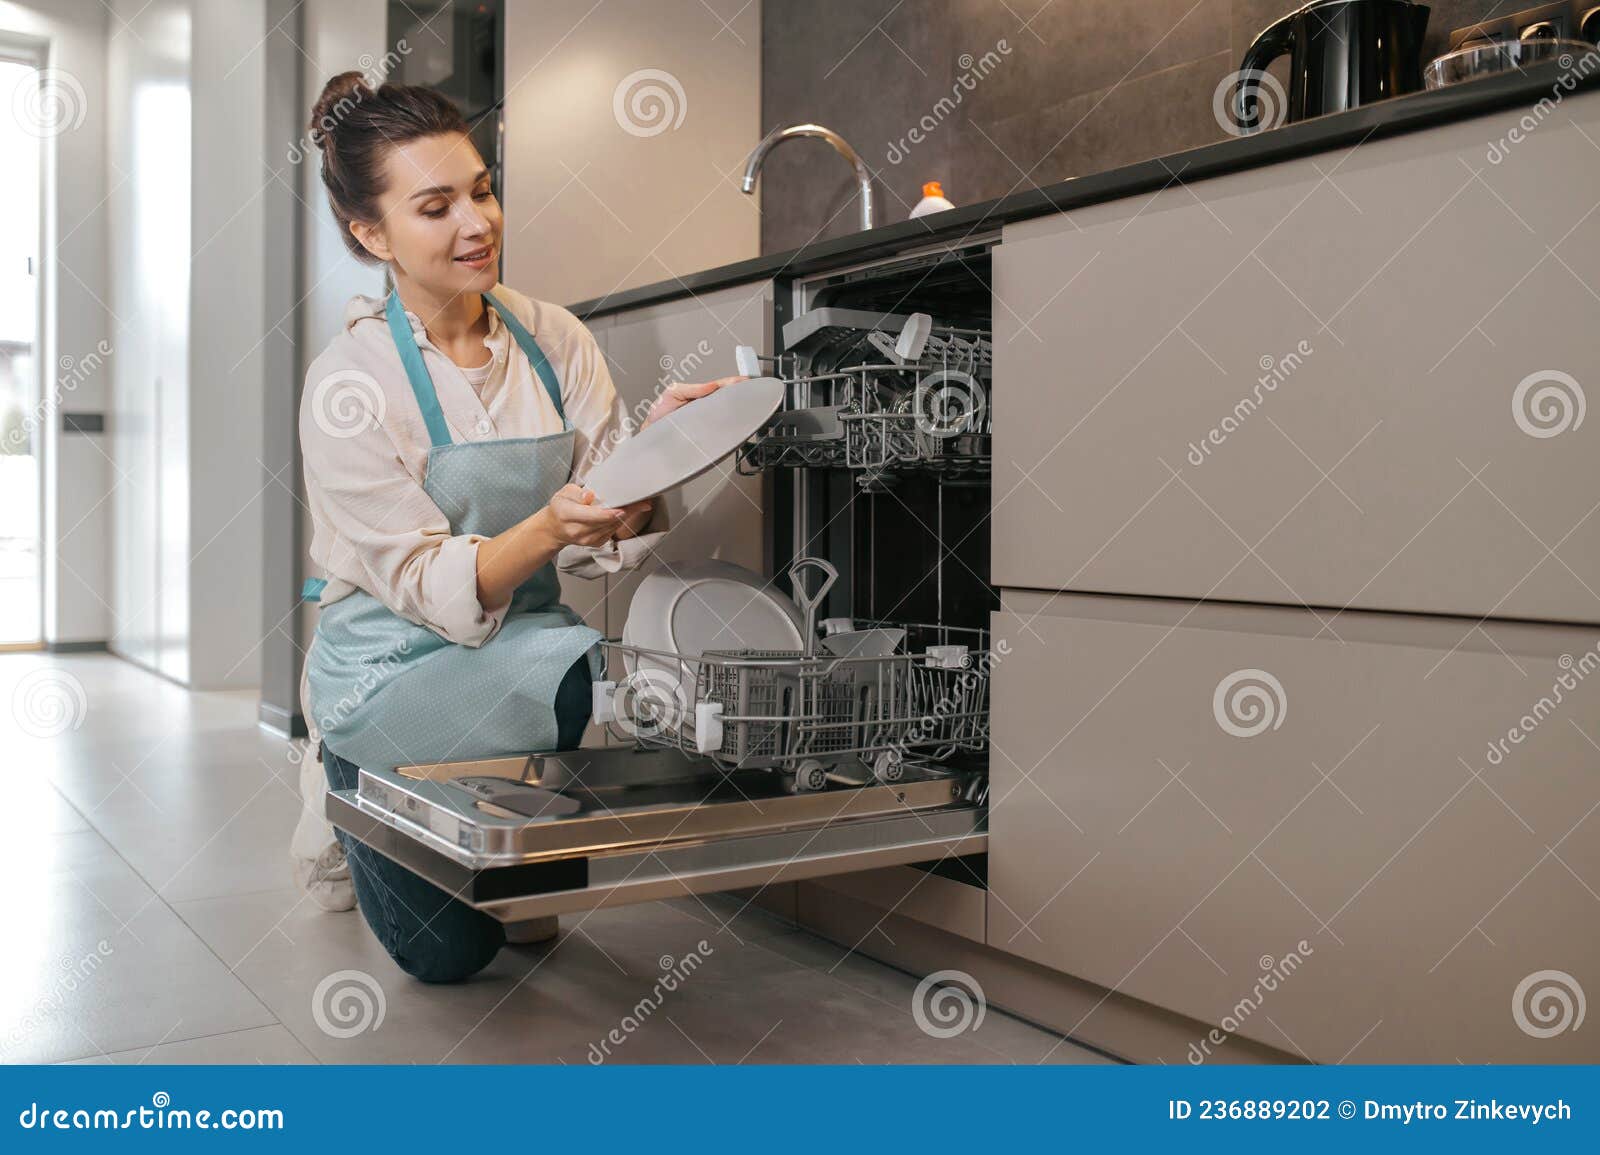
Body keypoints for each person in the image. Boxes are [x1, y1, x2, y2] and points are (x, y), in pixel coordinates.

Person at [288, 71, 737, 982]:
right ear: (371, 234)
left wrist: (656, 453)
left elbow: (605, 520)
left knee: (573, 669)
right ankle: (345, 767)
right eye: (436, 206)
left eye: (483, 191)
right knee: (450, 958)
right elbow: (420, 580)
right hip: (388, 666)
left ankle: (480, 824)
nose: (476, 223)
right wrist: (547, 523)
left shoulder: (554, 338)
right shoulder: (349, 384)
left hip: (522, 648)